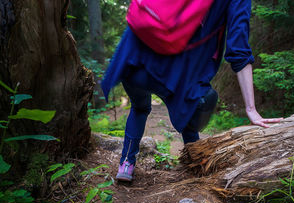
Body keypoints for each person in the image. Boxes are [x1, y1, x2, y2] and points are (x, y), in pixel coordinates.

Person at [101, 0, 282, 181]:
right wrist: (251, 108)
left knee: (139, 108)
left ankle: (126, 165)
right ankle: (196, 168)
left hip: (134, 59)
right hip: (177, 73)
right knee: (191, 109)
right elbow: (238, 50)